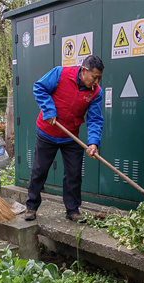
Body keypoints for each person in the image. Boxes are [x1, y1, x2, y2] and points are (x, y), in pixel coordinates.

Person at [25, 55, 104, 223]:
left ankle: (72, 210)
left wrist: (93, 142)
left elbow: (95, 119)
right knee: (40, 170)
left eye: (99, 78)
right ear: (84, 71)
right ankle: (31, 206)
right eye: (94, 77)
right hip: (47, 132)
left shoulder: (96, 92)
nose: (96, 82)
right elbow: (39, 87)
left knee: (74, 173)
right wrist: (48, 110)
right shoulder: (60, 74)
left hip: (71, 135)